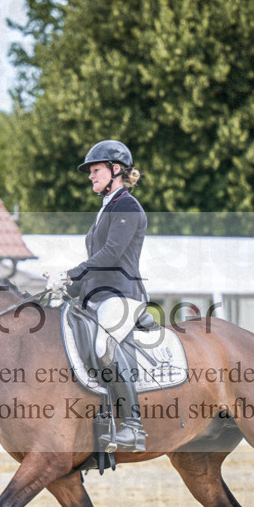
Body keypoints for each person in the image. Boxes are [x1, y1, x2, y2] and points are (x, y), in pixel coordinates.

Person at [60, 139, 148, 453]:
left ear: (115, 169)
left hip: (121, 295)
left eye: (95, 170)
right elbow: (97, 259)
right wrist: (68, 287)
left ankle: (134, 427)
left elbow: (111, 254)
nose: (90, 176)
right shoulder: (106, 207)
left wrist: (73, 272)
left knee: (104, 343)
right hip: (97, 295)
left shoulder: (127, 206)